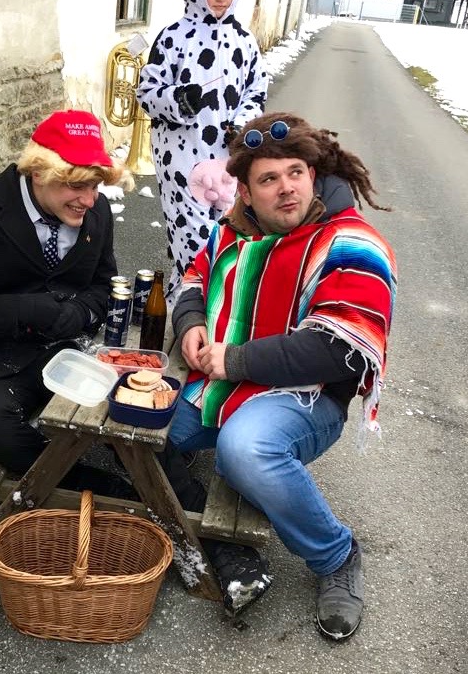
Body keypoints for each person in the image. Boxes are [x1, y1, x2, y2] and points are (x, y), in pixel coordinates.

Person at [165, 112, 397, 638]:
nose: (286, 188)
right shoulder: (233, 231)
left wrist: (237, 358)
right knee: (140, 430)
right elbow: (195, 277)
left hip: (306, 398)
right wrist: (191, 323)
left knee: (245, 450)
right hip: (220, 384)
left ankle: (336, 555)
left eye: (296, 172)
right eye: (269, 179)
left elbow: (338, 350)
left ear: (313, 174)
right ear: (245, 192)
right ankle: (211, 526)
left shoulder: (351, 243)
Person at [0, 109, 135, 495]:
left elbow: (103, 285)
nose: (89, 200)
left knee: (133, 404)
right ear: (39, 172)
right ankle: (105, 492)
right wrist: (26, 310)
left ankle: (186, 500)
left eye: (96, 185)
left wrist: (82, 312)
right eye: (77, 186)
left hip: (69, 347)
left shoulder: (95, 209)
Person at [137, 0, 268, 298]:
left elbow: (256, 92)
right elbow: (147, 91)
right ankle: (191, 311)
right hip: (181, 159)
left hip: (227, 159)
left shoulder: (245, 42)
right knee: (190, 239)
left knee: (223, 238)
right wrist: (177, 100)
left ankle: (195, 303)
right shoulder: (174, 37)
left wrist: (243, 126)